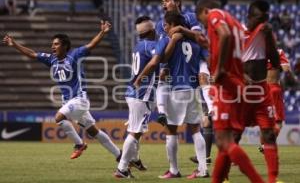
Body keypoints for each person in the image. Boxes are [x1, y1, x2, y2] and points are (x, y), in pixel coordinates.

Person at [2, 21, 122, 162]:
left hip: (80, 99)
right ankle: (120, 155)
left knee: (59, 117)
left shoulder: (75, 55)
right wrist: (14, 44)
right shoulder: (51, 60)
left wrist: (103, 32)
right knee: (93, 131)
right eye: (52, 44)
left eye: (56, 44)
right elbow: (32, 54)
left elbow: (91, 45)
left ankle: (79, 144)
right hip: (70, 102)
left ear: (65, 46)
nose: (53, 47)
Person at [196, 0, 265, 183]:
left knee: (225, 141)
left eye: (201, 20)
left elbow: (224, 35)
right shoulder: (233, 20)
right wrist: (207, 46)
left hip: (226, 84)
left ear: (204, 11)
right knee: (224, 142)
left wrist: (218, 70)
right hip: (236, 82)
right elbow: (229, 43)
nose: (205, 24)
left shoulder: (214, 15)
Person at [135, 11, 209, 179]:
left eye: (166, 25)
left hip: (176, 89)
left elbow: (161, 59)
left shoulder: (167, 39)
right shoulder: (195, 41)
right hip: (193, 89)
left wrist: (142, 77)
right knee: (196, 129)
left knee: (170, 131)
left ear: (171, 25)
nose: (164, 28)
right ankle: (203, 169)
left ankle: (174, 170)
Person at [155, 0, 213, 164]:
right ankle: (203, 167)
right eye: (162, 2)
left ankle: (212, 108)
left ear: (178, 2)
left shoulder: (190, 17)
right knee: (163, 74)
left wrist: (180, 31)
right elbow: (166, 44)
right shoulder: (160, 24)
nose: (164, 3)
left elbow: (199, 37)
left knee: (203, 75)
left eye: (167, 0)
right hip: (182, 68)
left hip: (195, 60)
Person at [241, 0, 282, 183]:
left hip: (261, 90)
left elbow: (275, 62)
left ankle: (273, 179)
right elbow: (226, 60)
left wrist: (269, 38)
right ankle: (223, 177)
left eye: (265, 17)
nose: (262, 21)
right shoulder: (238, 33)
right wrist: (241, 76)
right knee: (234, 135)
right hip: (240, 92)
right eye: (259, 17)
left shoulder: (264, 33)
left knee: (269, 134)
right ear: (249, 16)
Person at [114, 16, 157, 178]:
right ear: (152, 31)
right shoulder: (150, 46)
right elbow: (158, 58)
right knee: (135, 132)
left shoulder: (139, 46)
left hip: (134, 92)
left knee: (135, 129)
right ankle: (122, 168)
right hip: (141, 94)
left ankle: (135, 159)